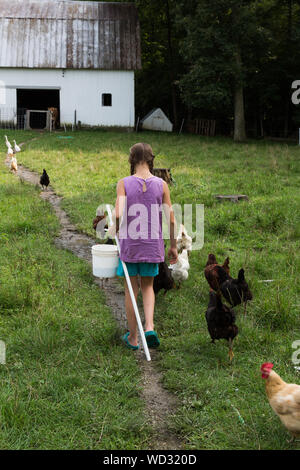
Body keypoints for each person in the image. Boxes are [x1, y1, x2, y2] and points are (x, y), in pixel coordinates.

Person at [113, 142, 178, 350]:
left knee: (131, 290)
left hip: (130, 247)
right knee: (148, 287)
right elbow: (172, 220)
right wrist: (173, 247)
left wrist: (114, 229)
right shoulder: (162, 185)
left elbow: (117, 214)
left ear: (132, 161)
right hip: (153, 246)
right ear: (151, 160)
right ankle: (149, 326)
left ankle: (133, 338)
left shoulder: (123, 183)